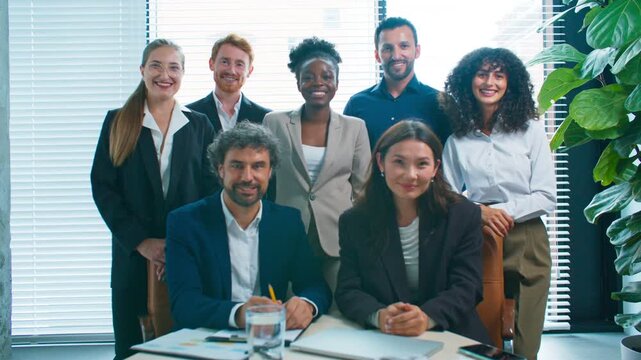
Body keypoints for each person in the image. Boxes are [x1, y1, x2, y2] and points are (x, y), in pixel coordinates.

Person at [91, 39, 215, 359]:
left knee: (185, 348)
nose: (165, 74)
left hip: (185, 257)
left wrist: (177, 244)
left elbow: (210, 192)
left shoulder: (199, 124)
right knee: (133, 350)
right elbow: (104, 188)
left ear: (183, 73)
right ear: (142, 70)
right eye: (156, 65)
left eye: (174, 67)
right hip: (133, 259)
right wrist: (143, 243)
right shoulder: (117, 121)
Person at [441, 47, 556, 360]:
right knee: (485, 330)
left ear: (510, 83)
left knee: (526, 338)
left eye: (498, 75)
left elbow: (546, 195)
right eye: (481, 74)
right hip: (477, 236)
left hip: (527, 235)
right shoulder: (457, 140)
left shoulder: (530, 131)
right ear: (468, 82)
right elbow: (447, 195)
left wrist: (502, 212)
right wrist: (480, 212)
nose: (489, 82)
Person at [166, 121, 332, 331]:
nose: (247, 177)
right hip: (206, 338)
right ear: (220, 170)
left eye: (258, 166)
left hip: (270, 339)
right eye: (236, 165)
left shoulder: (287, 222)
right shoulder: (185, 223)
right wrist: (239, 314)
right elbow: (184, 304)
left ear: (270, 171)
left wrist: (307, 305)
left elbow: (314, 285)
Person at [334, 120, 490, 343]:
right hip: (383, 336)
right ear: (381, 162)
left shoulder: (462, 215)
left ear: (435, 168)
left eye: (422, 164)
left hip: (451, 333)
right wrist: (380, 316)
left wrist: (426, 317)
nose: (411, 175)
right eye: (399, 162)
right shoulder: (354, 221)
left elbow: (468, 287)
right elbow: (348, 291)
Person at [263, 37, 370, 294]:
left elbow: (363, 187)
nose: (318, 83)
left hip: (338, 238)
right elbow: (263, 180)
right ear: (298, 82)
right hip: (287, 234)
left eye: (326, 76)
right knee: (289, 309)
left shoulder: (355, 127)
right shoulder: (274, 122)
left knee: (339, 308)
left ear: (336, 82)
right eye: (308, 76)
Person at [343, 17, 450, 148]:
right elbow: (347, 160)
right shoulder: (357, 104)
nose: (396, 56)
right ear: (377, 55)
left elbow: (451, 161)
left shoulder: (440, 103)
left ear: (417, 51)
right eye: (387, 48)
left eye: (404, 46)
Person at [187, 33, 271, 133]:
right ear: (211, 64)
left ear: (250, 70)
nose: (231, 70)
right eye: (225, 62)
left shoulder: (265, 118)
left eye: (239, 64)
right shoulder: (189, 115)